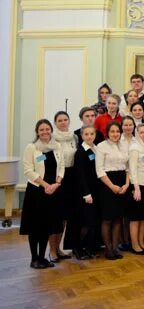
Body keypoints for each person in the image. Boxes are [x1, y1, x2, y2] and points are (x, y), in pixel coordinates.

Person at [20, 119, 64, 269]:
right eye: (41, 130)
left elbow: (61, 166)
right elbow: (28, 170)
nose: (45, 132)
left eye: (47, 129)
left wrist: (57, 183)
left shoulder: (57, 146)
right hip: (37, 191)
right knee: (35, 227)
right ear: (37, 132)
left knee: (47, 226)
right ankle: (34, 259)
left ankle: (42, 257)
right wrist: (46, 185)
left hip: (53, 191)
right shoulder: (32, 147)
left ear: (51, 130)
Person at [95, 122, 129, 260]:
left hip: (122, 182)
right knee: (107, 219)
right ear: (107, 133)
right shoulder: (101, 146)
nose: (115, 134)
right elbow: (99, 170)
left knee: (118, 218)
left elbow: (128, 167)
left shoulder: (124, 145)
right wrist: (112, 186)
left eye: (117, 131)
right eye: (112, 131)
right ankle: (108, 249)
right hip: (107, 184)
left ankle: (115, 248)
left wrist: (126, 184)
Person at [71, 125, 101, 259]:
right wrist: (86, 193)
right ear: (82, 136)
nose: (89, 137)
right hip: (85, 192)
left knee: (92, 221)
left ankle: (89, 247)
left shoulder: (95, 149)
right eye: (86, 134)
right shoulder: (80, 152)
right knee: (83, 221)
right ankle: (77, 248)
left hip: (95, 190)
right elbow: (80, 175)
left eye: (92, 134)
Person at [52, 111, 77, 261]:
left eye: (65, 120)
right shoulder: (52, 138)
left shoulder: (74, 137)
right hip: (57, 178)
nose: (63, 122)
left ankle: (59, 248)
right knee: (56, 216)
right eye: (59, 120)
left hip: (71, 178)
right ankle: (52, 250)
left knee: (65, 216)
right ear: (55, 123)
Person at [127, 123, 144, 254]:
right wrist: (136, 188)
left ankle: (141, 241)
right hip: (137, 185)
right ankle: (134, 244)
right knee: (135, 217)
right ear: (137, 134)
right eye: (141, 132)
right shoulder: (134, 148)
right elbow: (132, 169)